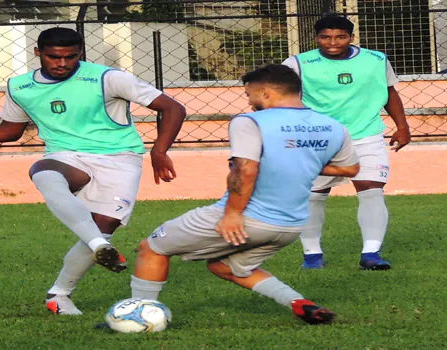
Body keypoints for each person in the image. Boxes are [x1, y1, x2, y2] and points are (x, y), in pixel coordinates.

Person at [0, 27, 186, 315]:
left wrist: (159, 151)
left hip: (120, 159)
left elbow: (173, 108)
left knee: (103, 227)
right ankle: (97, 244)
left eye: (70, 57)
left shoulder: (109, 78)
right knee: (44, 172)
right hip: (65, 155)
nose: (62, 64)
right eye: (53, 57)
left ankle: (59, 294)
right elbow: (10, 131)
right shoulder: (20, 86)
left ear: (80, 53)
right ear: (38, 53)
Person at [128, 64, 360, 325]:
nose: (249, 103)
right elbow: (350, 168)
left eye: (250, 95)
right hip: (290, 225)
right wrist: (299, 158)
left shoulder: (249, 122)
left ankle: (140, 318)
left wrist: (233, 214)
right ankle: (300, 303)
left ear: (267, 92)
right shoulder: (333, 127)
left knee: (153, 248)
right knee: (224, 266)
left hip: (247, 217)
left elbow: (246, 170)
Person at [282, 15, 411, 270]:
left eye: (340, 36)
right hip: (318, 139)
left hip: (366, 135)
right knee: (313, 195)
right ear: (316, 37)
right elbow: (282, 99)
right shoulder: (297, 63)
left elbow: (389, 92)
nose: (332, 42)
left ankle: (371, 254)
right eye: (325, 37)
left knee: (371, 189)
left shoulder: (376, 59)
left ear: (351, 37)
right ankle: (312, 255)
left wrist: (403, 126)